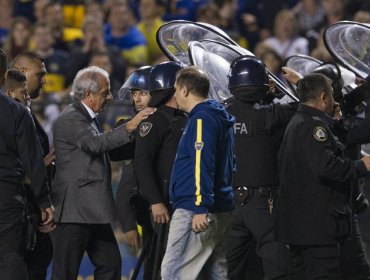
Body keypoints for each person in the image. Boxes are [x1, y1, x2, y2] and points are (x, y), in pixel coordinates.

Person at [50, 66, 155, 280]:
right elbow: (94, 144)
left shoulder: (88, 117)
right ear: (89, 95)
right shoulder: (71, 117)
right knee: (65, 272)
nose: (110, 96)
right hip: (75, 211)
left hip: (92, 209)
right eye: (105, 92)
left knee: (110, 265)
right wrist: (130, 126)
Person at [276, 73, 370, 279]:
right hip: (318, 227)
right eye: (331, 97)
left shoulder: (300, 120)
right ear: (323, 98)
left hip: (303, 225)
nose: (335, 102)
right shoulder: (314, 127)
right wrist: (362, 166)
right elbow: (327, 167)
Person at [225, 56, 296, 280]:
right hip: (263, 203)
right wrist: (281, 91)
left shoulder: (219, 113)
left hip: (228, 203)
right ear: (262, 83)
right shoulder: (271, 115)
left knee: (229, 267)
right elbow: (312, 105)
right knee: (277, 263)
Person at [161, 66, 235, 279]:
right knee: (214, 273)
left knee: (173, 273)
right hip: (221, 206)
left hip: (196, 208)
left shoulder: (202, 118)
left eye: (175, 89)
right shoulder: (220, 115)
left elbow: (201, 163)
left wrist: (200, 205)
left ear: (184, 90)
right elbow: (232, 163)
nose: (174, 95)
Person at [134, 61, 187, 279]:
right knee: (160, 263)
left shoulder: (187, 117)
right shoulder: (153, 121)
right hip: (163, 206)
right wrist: (155, 201)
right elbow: (142, 163)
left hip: (183, 203)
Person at [10, 52, 55, 280]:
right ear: (23, 73)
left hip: (30, 210)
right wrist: (39, 164)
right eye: (41, 74)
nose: (44, 81)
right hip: (16, 209)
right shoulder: (12, 113)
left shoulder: (26, 111)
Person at [0, 92, 53, 280]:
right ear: (4, 75)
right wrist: (44, 201)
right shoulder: (16, 110)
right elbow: (33, 161)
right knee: (10, 259)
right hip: (6, 198)